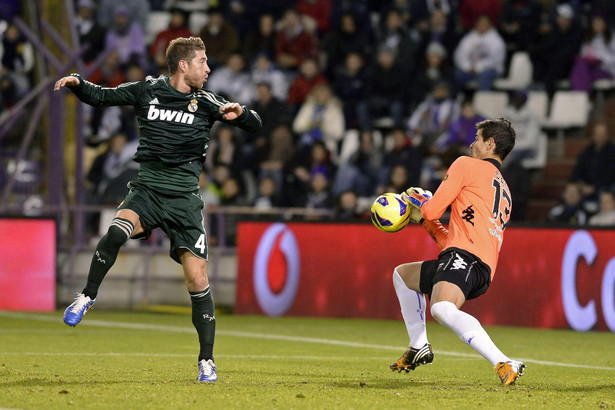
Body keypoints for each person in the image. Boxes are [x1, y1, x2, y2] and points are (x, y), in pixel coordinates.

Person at [54, 37, 262, 382]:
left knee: (197, 278)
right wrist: (78, 83)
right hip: (148, 189)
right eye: (202, 61)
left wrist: (241, 113)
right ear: (183, 65)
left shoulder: (207, 102)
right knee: (116, 231)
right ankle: (87, 295)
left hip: (184, 200)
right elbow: (103, 96)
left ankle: (206, 361)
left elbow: (254, 123)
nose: (208, 69)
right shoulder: (146, 90)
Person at [392, 118, 525, 386]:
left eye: (476, 138)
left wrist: (421, 202)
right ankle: (419, 345)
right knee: (403, 276)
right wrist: (428, 222)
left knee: (441, 308)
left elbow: (431, 210)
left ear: (490, 143)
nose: (471, 144)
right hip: (478, 267)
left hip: (465, 258)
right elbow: (452, 241)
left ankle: (503, 361)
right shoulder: (504, 191)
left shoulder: (467, 165)